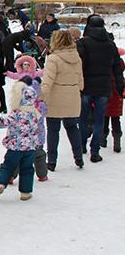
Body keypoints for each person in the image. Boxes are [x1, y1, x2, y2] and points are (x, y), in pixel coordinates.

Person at [76, 15, 123, 162]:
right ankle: (95, 152)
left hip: (86, 86)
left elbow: (79, 64)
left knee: (83, 118)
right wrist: (120, 86)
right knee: (99, 120)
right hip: (104, 87)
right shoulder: (110, 45)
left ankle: (82, 144)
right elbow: (117, 68)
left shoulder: (83, 43)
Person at [41, 29, 85, 170]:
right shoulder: (76, 57)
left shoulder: (53, 58)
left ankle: (52, 161)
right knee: (72, 128)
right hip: (72, 96)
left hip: (55, 98)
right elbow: (81, 82)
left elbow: (47, 82)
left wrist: (40, 96)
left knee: (53, 130)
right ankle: (79, 158)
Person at [0, 82, 41, 201]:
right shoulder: (35, 113)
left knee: (7, 166)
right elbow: (39, 128)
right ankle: (26, 192)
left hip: (15, 147)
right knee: (27, 169)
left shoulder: (16, 113)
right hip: (30, 148)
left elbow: (6, 122)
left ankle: (1, 183)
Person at [103, 48, 125, 153]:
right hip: (116, 95)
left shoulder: (104, 65)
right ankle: (117, 143)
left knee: (104, 118)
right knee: (116, 120)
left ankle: (102, 140)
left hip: (106, 93)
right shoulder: (120, 66)